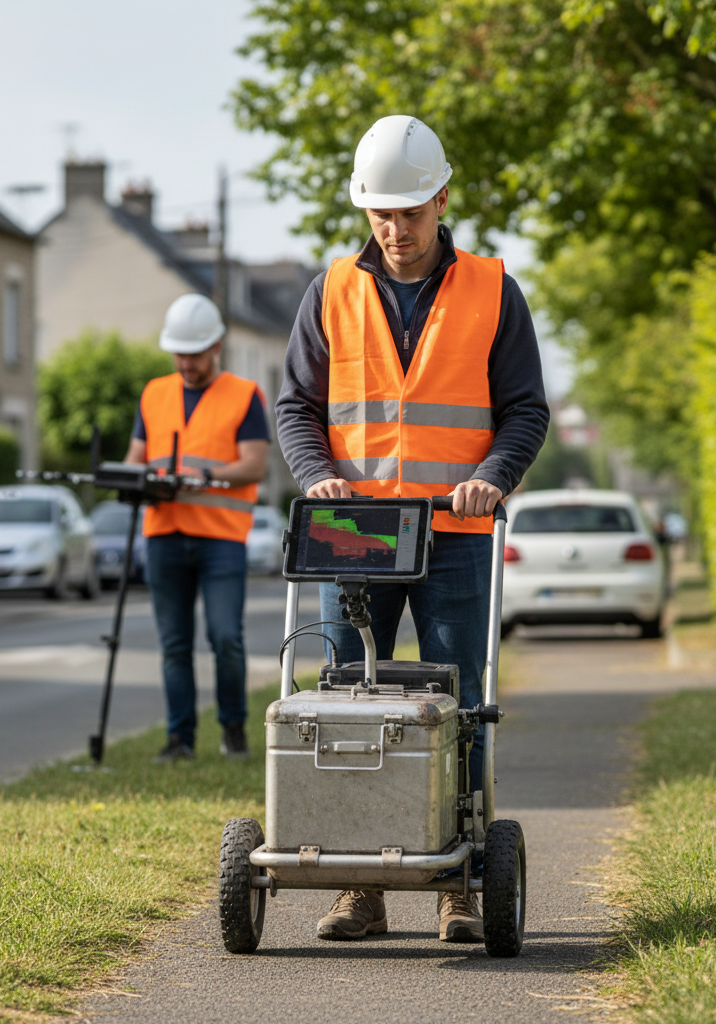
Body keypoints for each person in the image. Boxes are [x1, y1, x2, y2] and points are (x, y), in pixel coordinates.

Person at [275, 115, 549, 942]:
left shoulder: (494, 290)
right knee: (345, 700)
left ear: (441, 197)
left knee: (455, 704)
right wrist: (315, 474)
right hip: (354, 534)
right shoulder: (329, 290)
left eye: (410, 213)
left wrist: (491, 478)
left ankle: (456, 883)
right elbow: (296, 407)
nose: (395, 232)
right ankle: (359, 885)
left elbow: (525, 410)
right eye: (380, 215)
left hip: (455, 536)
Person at [125, 294, 270, 763]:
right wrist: (138, 480)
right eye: (179, 353)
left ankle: (233, 729)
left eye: (195, 353)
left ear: (216, 347)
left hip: (221, 537)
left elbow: (253, 466)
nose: (186, 362)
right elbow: (135, 458)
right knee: (173, 645)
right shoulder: (152, 393)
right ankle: (179, 739)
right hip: (164, 535)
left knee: (226, 637)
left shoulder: (246, 395)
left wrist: (204, 478)